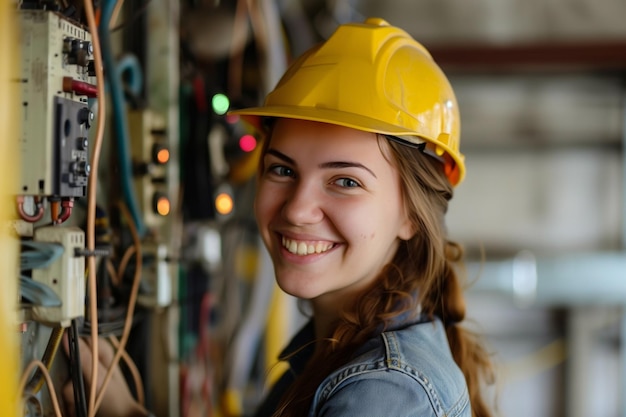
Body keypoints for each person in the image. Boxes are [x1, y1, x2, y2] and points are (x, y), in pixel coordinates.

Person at [65, 17, 494, 417]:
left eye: (345, 181)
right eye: (282, 170)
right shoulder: (334, 342)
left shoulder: (388, 392)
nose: (296, 209)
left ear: (411, 217)